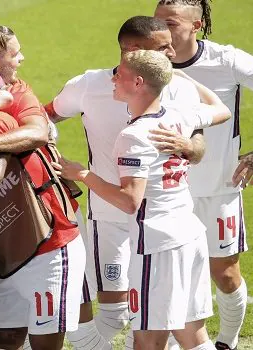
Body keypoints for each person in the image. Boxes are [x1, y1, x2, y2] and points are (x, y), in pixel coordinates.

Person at [44, 16, 205, 349]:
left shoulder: (178, 87)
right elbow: (44, 116)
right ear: (133, 51)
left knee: (156, 323)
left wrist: (191, 147)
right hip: (114, 218)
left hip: (154, 227)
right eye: (163, 46)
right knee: (124, 314)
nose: (173, 50)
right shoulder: (89, 85)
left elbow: (203, 131)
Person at [153, 2, 253, 349]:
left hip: (218, 189)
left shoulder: (226, 60)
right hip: (162, 194)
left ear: (196, 25)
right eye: (156, 20)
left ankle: (226, 341)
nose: (160, 29)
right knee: (166, 278)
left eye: (169, 22)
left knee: (223, 274)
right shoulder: (148, 62)